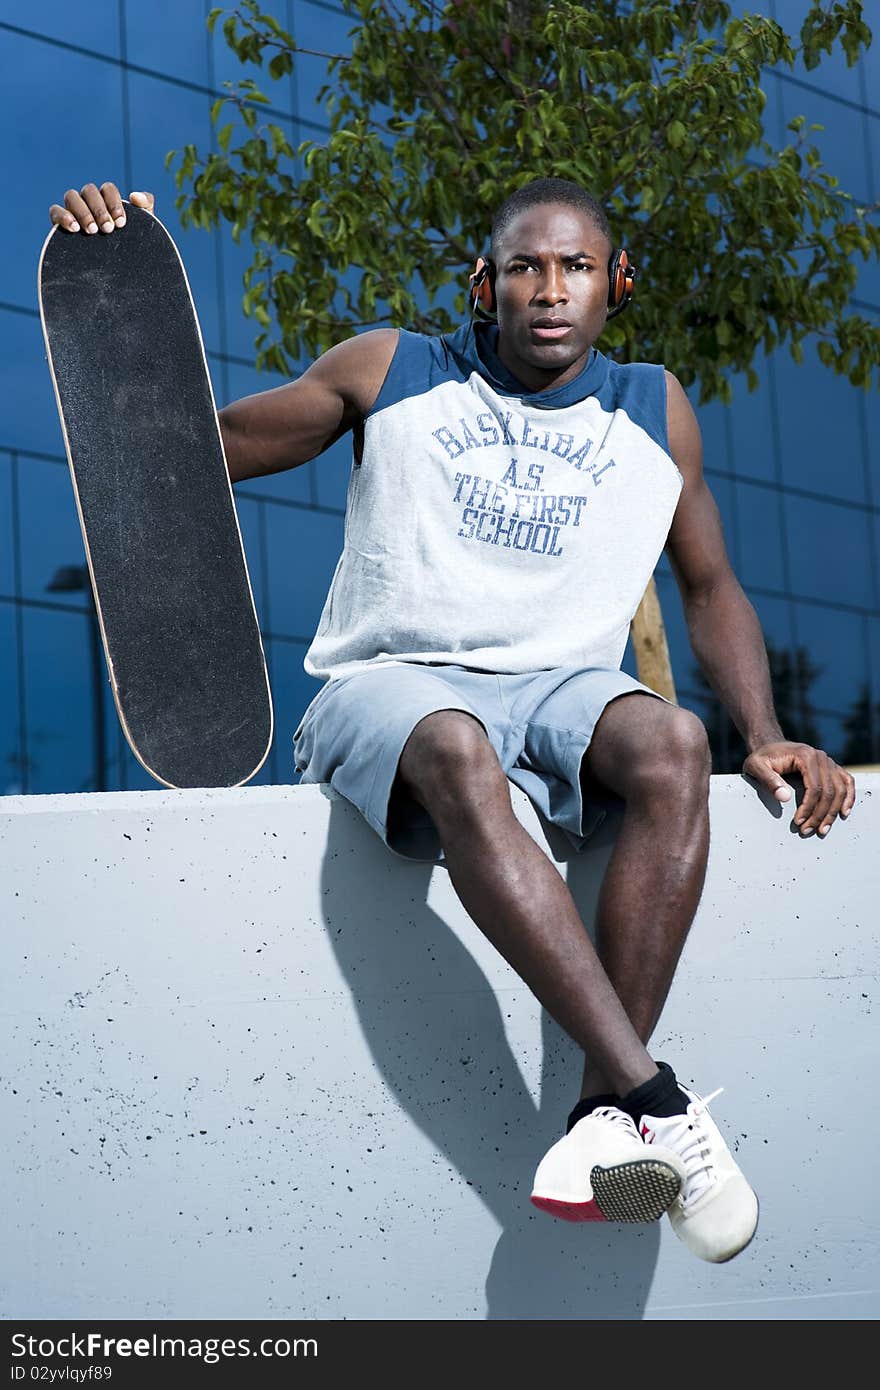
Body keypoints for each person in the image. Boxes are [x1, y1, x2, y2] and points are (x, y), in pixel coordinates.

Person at [49, 177, 855, 1264]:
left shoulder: (654, 409)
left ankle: (602, 1121)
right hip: (392, 685)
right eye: (524, 266)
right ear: (485, 284)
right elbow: (203, 448)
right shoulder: (393, 369)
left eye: (574, 267)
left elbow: (708, 586)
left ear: (616, 285)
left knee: (670, 741)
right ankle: (654, 1096)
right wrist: (115, 296)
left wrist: (760, 732)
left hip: (562, 689)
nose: (549, 289)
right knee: (453, 744)